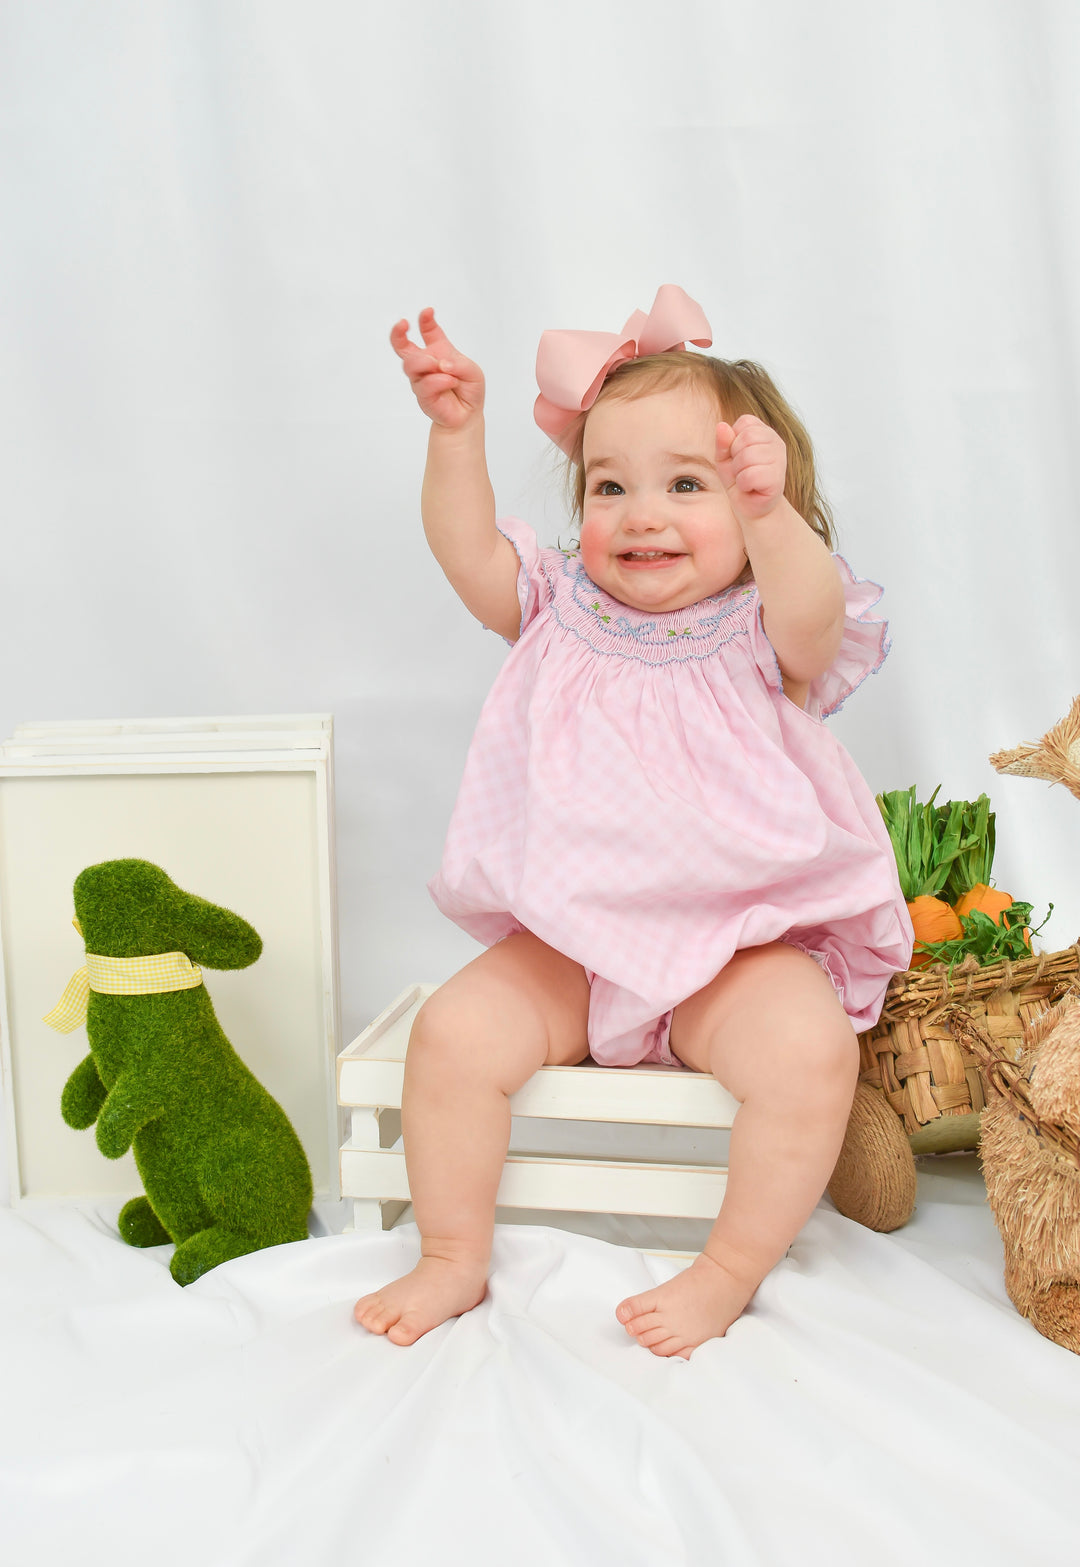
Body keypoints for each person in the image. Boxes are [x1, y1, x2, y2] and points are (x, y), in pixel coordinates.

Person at [354, 285, 912, 1358]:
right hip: (571, 947)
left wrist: (770, 517)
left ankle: (728, 1267)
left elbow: (816, 616)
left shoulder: (764, 624)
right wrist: (456, 436)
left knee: (806, 1055)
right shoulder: (560, 605)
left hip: (735, 949)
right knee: (453, 1037)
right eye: (609, 485)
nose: (641, 513)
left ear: (759, 499)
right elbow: (469, 555)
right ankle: (451, 1255)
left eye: (688, 484)